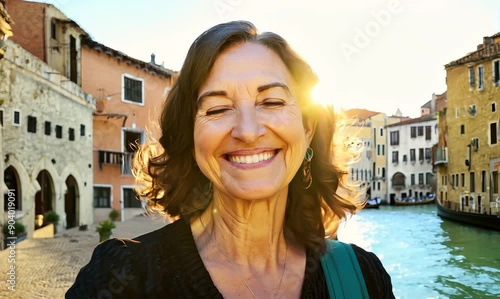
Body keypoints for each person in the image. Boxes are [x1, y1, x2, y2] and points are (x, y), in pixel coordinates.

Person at [66, 20, 394, 298]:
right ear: (191, 139)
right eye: (218, 109)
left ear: (307, 129)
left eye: (273, 102)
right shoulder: (119, 277)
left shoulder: (364, 278)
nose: (248, 131)